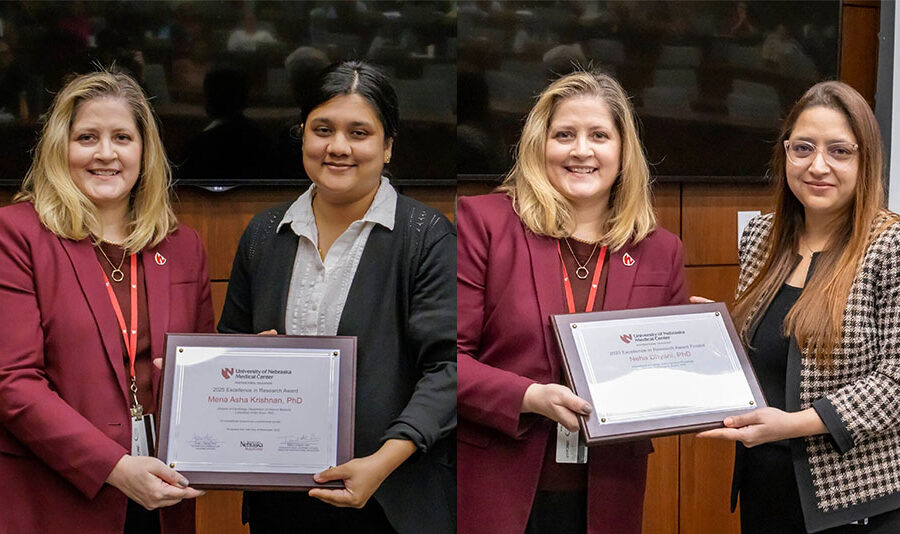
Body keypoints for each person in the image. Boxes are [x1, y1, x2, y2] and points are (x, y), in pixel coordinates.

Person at [217, 60, 456, 534]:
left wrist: (383, 461)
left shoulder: (425, 235)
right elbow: (231, 344)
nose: (338, 147)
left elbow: (448, 368)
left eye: (359, 132)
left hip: (391, 498)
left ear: (388, 146)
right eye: (322, 129)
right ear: (302, 136)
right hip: (282, 498)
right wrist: (235, 363)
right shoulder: (265, 233)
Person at [457, 70, 687, 534]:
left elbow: (674, 378)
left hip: (608, 495)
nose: (581, 150)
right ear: (540, 146)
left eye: (599, 135)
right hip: (497, 488)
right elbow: (446, 360)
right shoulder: (483, 222)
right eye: (565, 135)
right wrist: (529, 396)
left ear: (623, 151)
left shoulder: (661, 249)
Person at [0, 70, 213, 533]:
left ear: (144, 150)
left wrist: (256, 370)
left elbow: (201, 370)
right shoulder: (16, 235)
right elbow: (13, 383)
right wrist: (115, 467)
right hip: (58, 495)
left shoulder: (183, 246)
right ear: (61, 147)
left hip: (163, 498)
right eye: (87, 137)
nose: (105, 153)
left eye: (122, 137)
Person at [697, 81, 900, 533]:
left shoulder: (891, 247)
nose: (818, 165)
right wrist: (708, 338)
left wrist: (790, 425)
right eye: (803, 147)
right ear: (784, 153)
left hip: (856, 500)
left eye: (839, 151)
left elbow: (895, 384)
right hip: (766, 487)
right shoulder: (761, 239)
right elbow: (770, 354)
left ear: (865, 159)